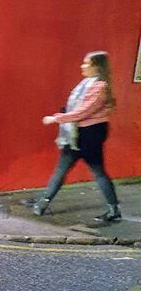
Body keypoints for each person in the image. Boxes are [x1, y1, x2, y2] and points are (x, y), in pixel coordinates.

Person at [31, 51, 121, 222]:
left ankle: (42, 204)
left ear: (97, 67)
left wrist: (56, 118)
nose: (82, 66)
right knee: (86, 170)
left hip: (88, 134)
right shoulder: (87, 83)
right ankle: (113, 209)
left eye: (87, 63)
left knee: (90, 171)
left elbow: (83, 111)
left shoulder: (99, 87)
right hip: (80, 132)